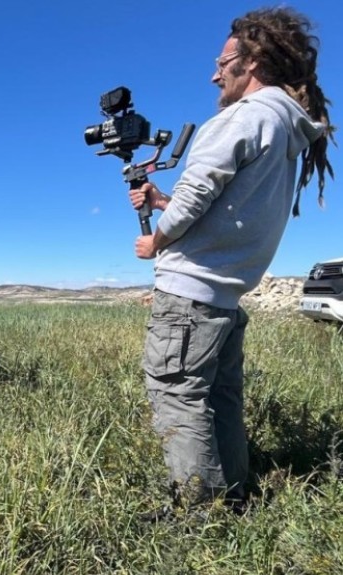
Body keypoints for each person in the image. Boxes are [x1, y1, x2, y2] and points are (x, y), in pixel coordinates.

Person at [130, 7, 333, 516]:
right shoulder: (283, 126)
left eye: (223, 62)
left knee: (176, 394)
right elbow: (227, 205)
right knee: (220, 399)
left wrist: (158, 239)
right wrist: (162, 203)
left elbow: (198, 194)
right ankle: (232, 496)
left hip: (191, 293)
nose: (214, 73)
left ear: (254, 61)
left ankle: (201, 513)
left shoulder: (242, 116)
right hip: (225, 295)